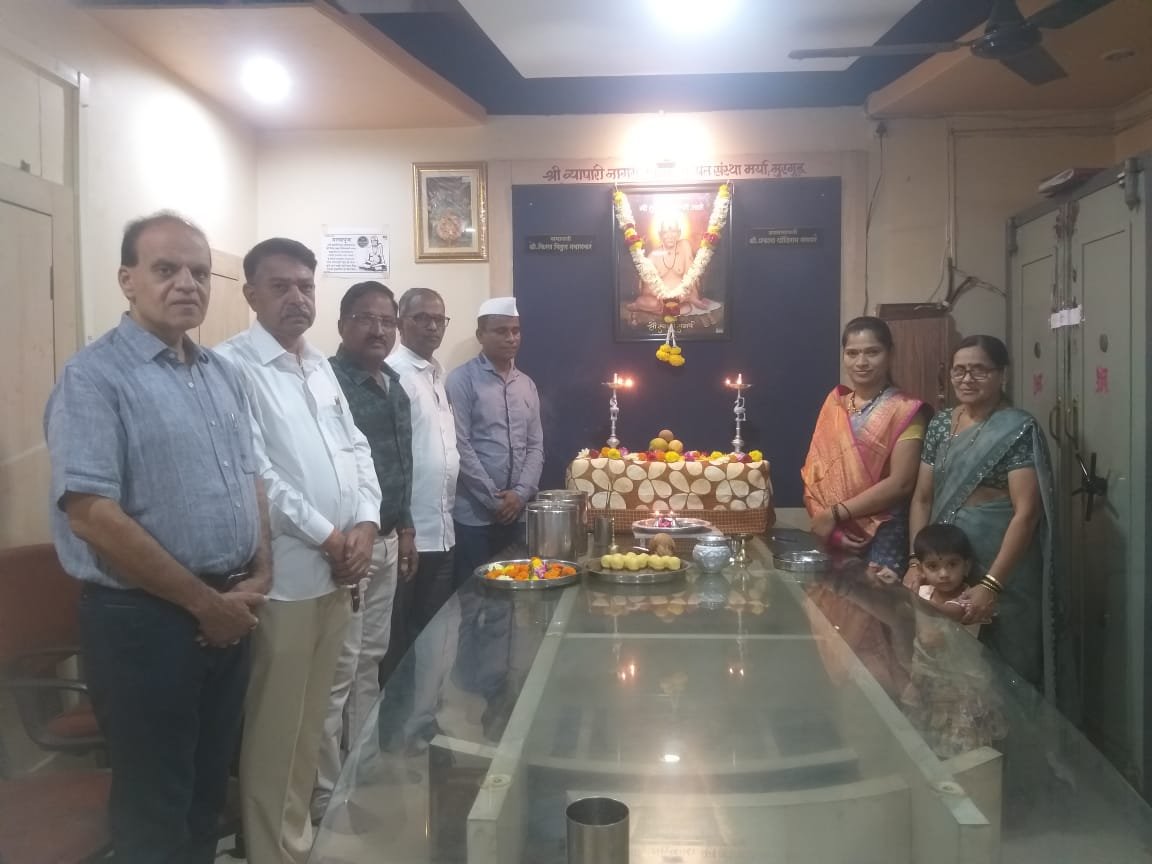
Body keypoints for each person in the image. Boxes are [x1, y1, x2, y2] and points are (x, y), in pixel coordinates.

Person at [44, 211, 272, 864]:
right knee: (155, 810)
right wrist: (205, 604)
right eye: (166, 269)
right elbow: (91, 514)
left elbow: (250, 480)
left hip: (230, 609)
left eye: (199, 272)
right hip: (144, 622)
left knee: (208, 794)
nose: (187, 284)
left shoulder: (221, 373)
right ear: (127, 280)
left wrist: (261, 574)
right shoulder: (94, 378)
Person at [216, 238, 382, 864]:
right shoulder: (232, 366)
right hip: (285, 578)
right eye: (280, 286)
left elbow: (356, 448)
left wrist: (365, 523)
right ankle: (270, 849)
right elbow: (257, 473)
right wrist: (329, 535)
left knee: (311, 723)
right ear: (251, 293)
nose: (296, 298)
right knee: (275, 728)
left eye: (306, 286)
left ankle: (297, 840)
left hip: (337, 574)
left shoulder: (317, 364)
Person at [313, 281, 415, 819]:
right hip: (349, 546)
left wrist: (407, 528)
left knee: (372, 658)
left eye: (387, 321)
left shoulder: (394, 385)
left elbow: (401, 464)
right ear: (342, 324)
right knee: (340, 669)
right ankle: (326, 792)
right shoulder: (326, 383)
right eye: (365, 318)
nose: (378, 330)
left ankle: (362, 762)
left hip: (389, 538)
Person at [907, 335, 1054, 694]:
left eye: (979, 370)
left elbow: (1026, 512)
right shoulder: (941, 424)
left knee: (1008, 664)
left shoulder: (1016, 427)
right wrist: (915, 562)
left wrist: (991, 584)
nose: (967, 379)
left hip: (1003, 561)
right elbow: (923, 498)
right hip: (945, 559)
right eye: (959, 371)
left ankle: (1017, 732)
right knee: (948, 666)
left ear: (1002, 374)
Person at [802, 317, 929, 572]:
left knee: (878, 597)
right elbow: (815, 475)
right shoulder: (835, 405)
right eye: (852, 353)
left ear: (890, 354)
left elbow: (901, 483)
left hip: (882, 535)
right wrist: (828, 523)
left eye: (872, 352)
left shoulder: (905, 410)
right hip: (833, 533)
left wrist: (835, 513)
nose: (861, 362)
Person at [384, 287, 460, 673]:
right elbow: (391, 460)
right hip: (409, 536)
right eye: (422, 318)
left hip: (442, 530)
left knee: (433, 634)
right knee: (400, 642)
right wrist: (405, 529)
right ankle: (401, 710)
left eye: (439, 319)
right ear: (401, 323)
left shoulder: (435, 374)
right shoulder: (394, 375)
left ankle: (427, 707)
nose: (432, 327)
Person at [446, 296, 544, 583]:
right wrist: (494, 500)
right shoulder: (461, 380)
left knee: (515, 593)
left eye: (515, 330)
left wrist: (520, 495)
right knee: (474, 595)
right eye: (501, 331)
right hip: (473, 517)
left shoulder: (526, 384)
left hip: (519, 514)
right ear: (480, 335)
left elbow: (536, 446)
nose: (511, 338)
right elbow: (459, 444)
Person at [900, 523, 1008, 758]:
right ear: (921, 569)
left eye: (952, 564)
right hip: (928, 685)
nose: (943, 573)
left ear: (966, 566)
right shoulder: (924, 594)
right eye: (933, 566)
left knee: (965, 752)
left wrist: (910, 597)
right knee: (927, 746)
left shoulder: (971, 600)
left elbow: (944, 617)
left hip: (961, 689)